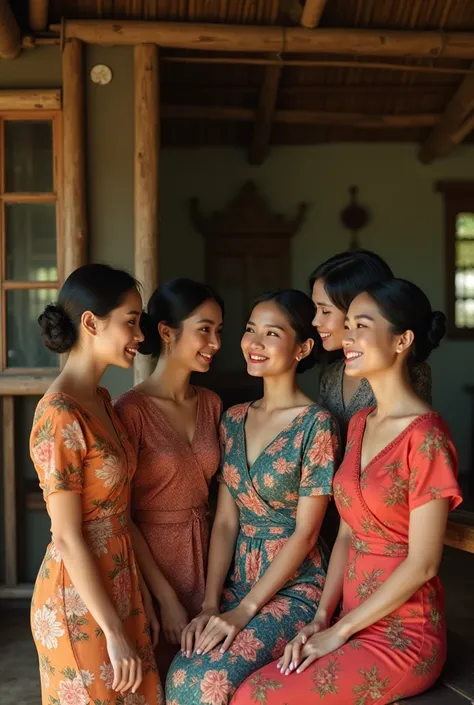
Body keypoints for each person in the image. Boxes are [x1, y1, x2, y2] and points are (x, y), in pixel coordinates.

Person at [232, 278, 462, 705]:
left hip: (402, 634)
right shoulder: (360, 424)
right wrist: (321, 618)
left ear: (402, 340)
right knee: (249, 688)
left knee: (256, 697)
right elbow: (346, 534)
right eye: (348, 324)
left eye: (362, 326)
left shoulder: (428, 436)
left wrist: (340, 631)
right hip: (346, 618)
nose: (347, 337)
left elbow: (425, 563)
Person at [166, 289, 339, 705]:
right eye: (249, 330)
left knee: (206, 683)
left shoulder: (317, 426)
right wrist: (210, 605)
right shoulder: (233, 417)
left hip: (294, 588)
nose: (254, 343)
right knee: (181, 670)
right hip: (234, 583)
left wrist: (244, 612)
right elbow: (226, 521)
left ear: (304, 347)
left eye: (271, 333)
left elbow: (307, 533)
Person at [30, 264, 163, 705]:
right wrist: (112, 630)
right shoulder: (59, 414)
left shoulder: (103, 400)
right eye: (130, 320)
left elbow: (119, 511)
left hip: (120, 580)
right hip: (79, 599)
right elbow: (66, 537)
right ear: (90, 323)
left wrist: (140, 589)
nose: (140, 334)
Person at [114, 278, 224, 679]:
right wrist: (164, 596)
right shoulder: (130, 410)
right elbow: (120, 513)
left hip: (208, 559)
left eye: (219, 331)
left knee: (201, 681)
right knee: (156, 678)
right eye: (205, 329)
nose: (215, 342)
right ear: (166, 332)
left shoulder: (211, 404)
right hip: (151, 565)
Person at [311, 250, 431, 444]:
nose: (315, 321)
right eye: (315, 309)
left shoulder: (411, 375)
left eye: (325, 310)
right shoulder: (332, 374)